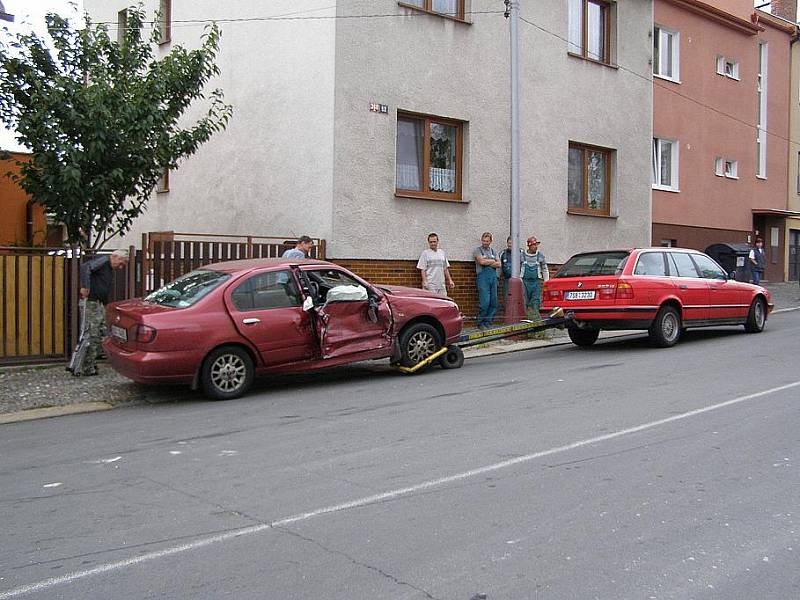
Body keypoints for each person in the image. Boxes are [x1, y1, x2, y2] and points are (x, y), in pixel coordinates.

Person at [74, 249, 129, 376]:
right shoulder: (103, 261)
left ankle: (92, 363)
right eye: (121, 263)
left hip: (99, 303)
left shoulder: (108, 267)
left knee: (102, 332)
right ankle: (87, 366)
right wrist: (86, 286)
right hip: (92, 302)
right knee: (91, 334)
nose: (120, 267)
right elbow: (85, 267)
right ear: (115, 256)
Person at [473, 232, 501, 329]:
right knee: (485, 302)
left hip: (493, 278)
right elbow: (481, 261)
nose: (485, 243)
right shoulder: (478, 250)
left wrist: (488, 262)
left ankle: (488, 322)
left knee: (493, 302)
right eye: (484, 241)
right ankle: (481, 323)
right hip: (483, 278)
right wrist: (492, 261)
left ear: (491, 241)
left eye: (487, 241)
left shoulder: (494, 251)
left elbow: (499, 264)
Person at [520, 236, 549, 319]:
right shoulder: (522, 255)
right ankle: (525, 319)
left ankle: (535, 318)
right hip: (524, 281)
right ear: (529, 245)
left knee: (536, 301)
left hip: (536, 282)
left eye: (536, 245)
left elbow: (544, 268)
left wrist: (546, 280)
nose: (535, 247)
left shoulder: (540, 255)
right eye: (534, 245)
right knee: (524, 300)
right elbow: (517, 268)